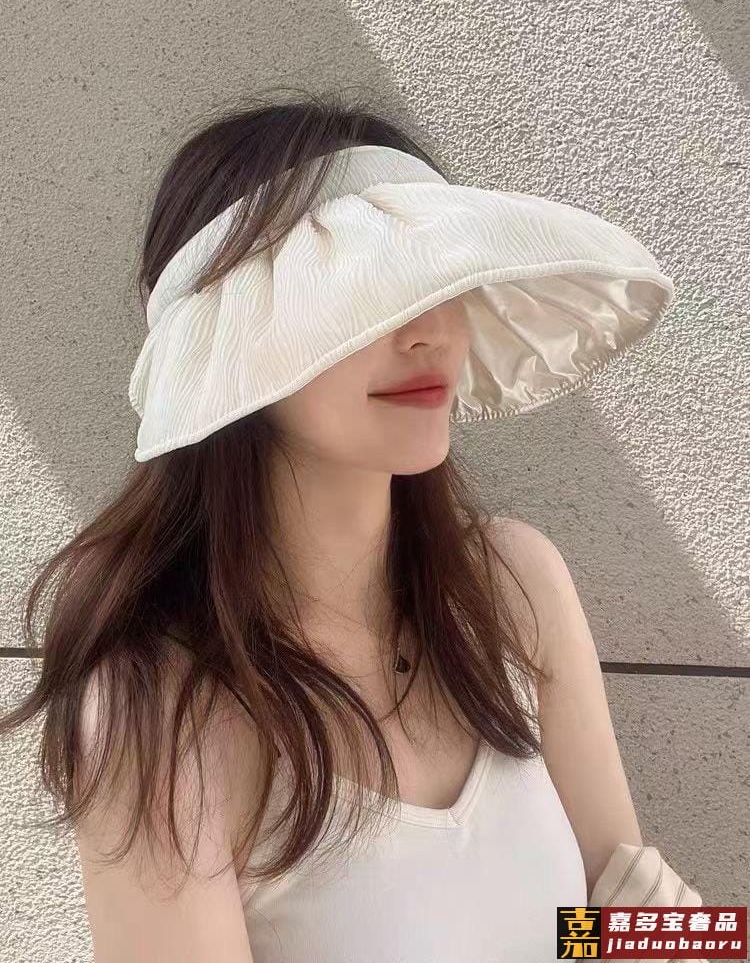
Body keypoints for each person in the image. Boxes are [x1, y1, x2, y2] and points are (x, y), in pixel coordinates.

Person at [1, 88, 697, 962]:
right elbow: (617, 932)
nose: (430, 332)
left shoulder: (514, 585)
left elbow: (644, 933)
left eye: (438, 281)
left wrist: (676, 938)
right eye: (366, 293)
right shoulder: (160, 710)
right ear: (231, 340)